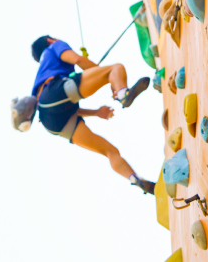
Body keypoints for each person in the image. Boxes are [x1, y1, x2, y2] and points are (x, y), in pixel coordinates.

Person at [11, 35, 156, 195]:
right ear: (50, 40)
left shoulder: (44, 69)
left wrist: (96, 112)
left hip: (51, 122)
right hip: (53, 93)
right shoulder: (54, 46)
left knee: (109, 151)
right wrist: (108, 76)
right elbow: (77, 60)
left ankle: (135, 179)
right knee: (116, 68)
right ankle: (122, 94)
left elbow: (66, 107)